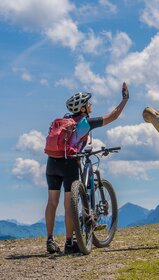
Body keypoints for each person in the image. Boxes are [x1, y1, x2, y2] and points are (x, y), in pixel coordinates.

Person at [45, 82, 129, 254]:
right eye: (88, 103)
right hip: (69, 163)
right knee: (69, 204)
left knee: (52, 202)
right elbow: (113, 116)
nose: (91, 105)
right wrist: (125, 99)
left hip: (52, 162)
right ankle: (69, 243)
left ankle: (50, 240)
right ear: (83, 109)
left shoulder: (63, 121)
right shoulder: (86, 123)